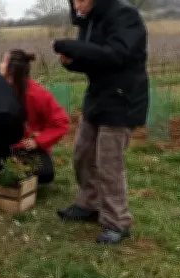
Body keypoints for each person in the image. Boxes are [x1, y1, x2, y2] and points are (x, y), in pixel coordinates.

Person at [53, 0, 148, 245]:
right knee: (82, 154)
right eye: (74, 0)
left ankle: (118, 222)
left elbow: (116, 55)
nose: (77, 5)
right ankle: (89, 204)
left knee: (109, 163)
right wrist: (73, 62)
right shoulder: (91, 21)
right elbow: (94, 60)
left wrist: (75, 48)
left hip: (123, 97)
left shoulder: (125, 15)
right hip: (97, 96)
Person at [0, 50, 70, 185]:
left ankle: (5, 171)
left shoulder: (37, 95)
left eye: (3, 62)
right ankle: (1, 170)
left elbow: (61, 122)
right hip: (1, 143)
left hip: (26, 147)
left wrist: (38, 140)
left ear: (11, 70)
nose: (0, 64)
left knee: (45, 173)